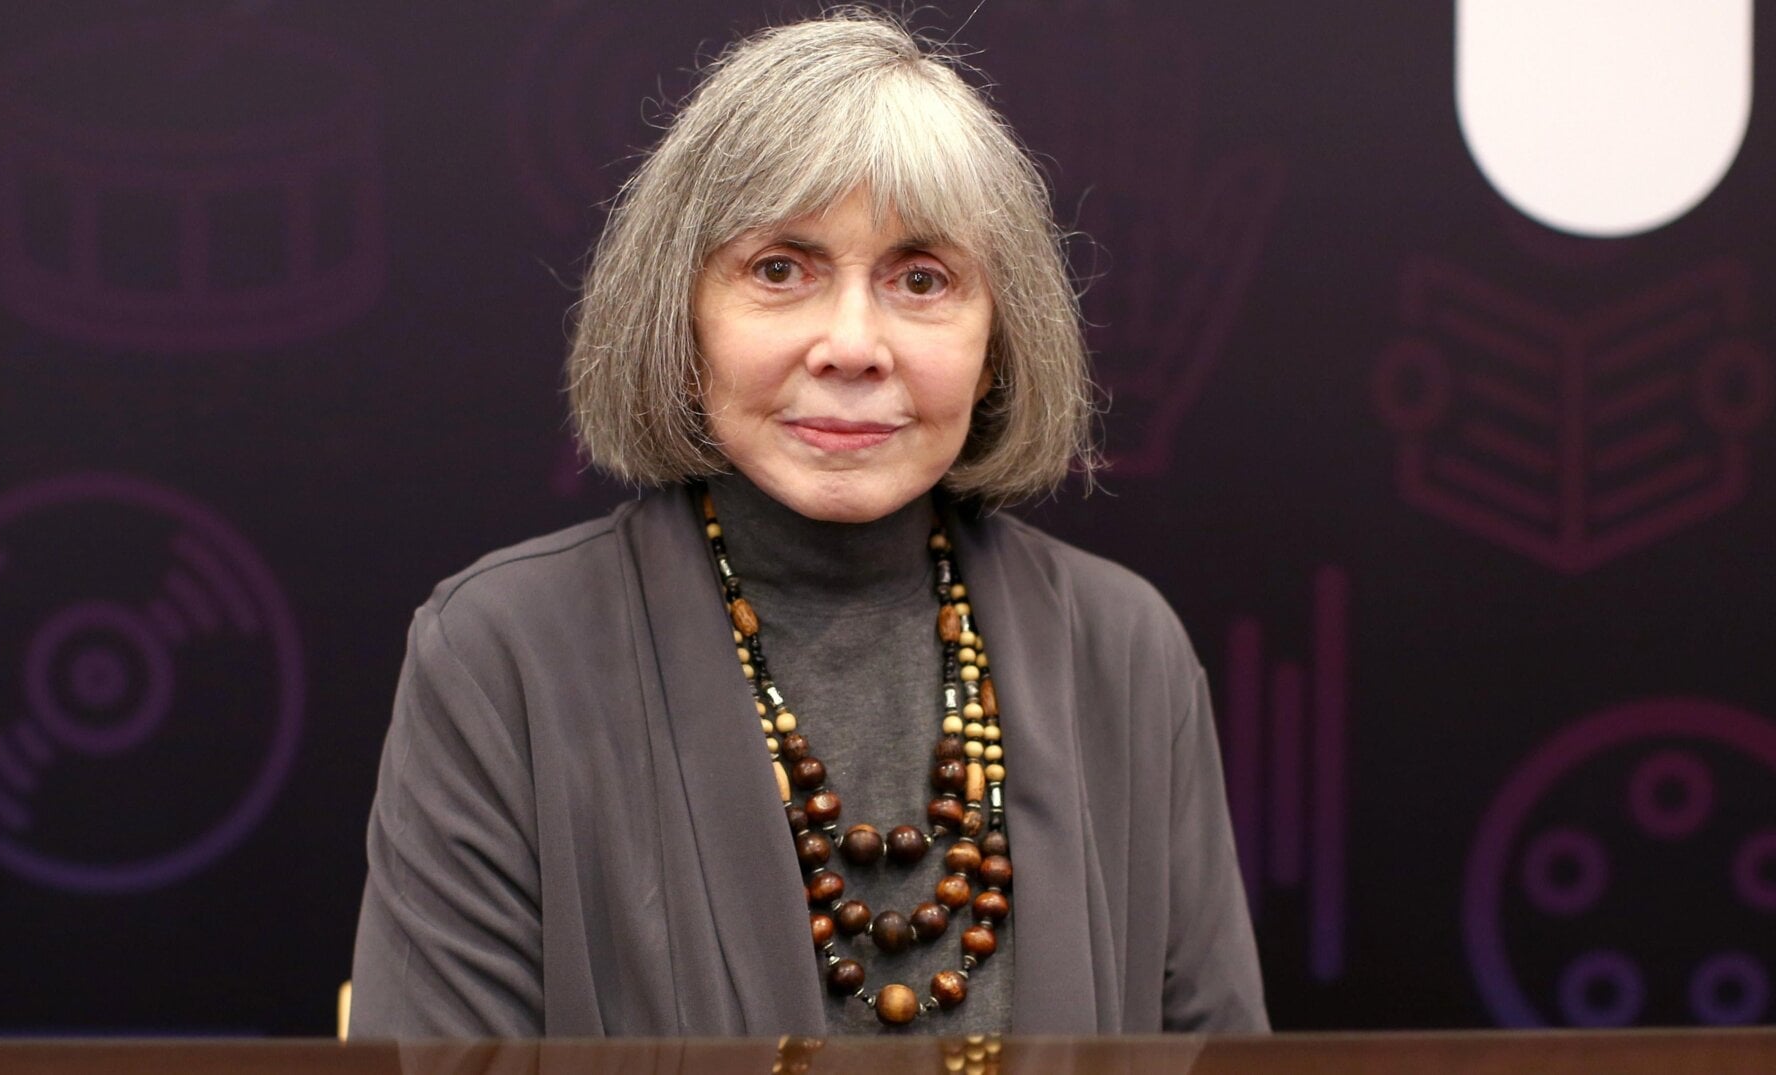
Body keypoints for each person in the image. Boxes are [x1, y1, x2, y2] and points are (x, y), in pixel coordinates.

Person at [349, 9, 1266, 1037]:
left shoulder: (1122, 649)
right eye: (781, 270)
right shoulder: (502, 654)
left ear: (998, 342)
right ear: (681, 319)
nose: (853, 344)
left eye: (922, 280)